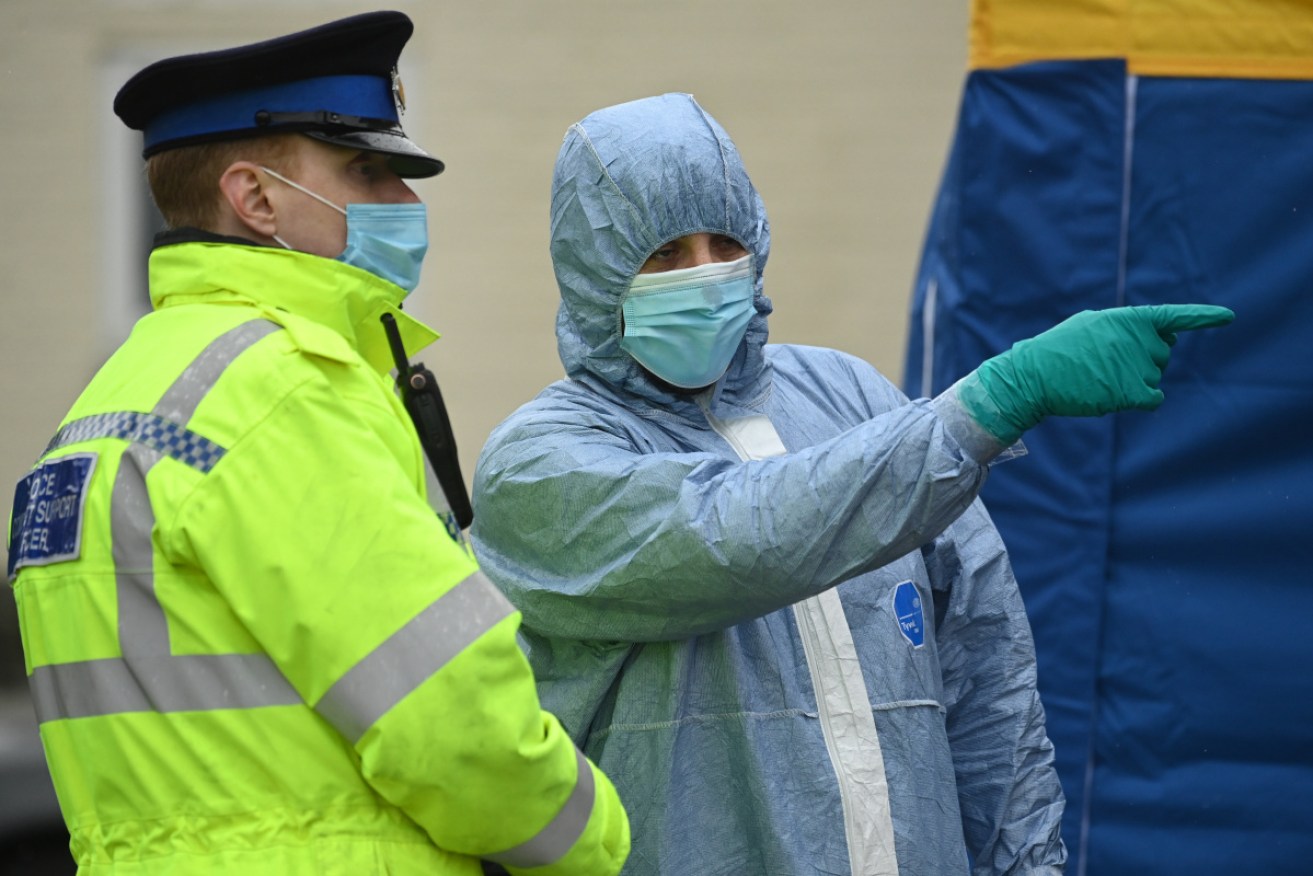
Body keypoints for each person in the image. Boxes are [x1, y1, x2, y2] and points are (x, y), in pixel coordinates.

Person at [468, 92, 1233, 875]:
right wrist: (993, 401)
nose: (704, 275)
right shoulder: (540, 463)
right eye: (663, 256)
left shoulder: (849, 396)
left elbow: (985, 668)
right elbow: (735, 535)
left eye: (723, 242)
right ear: (595, 276)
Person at [4, 12, 629, 876]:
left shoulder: (105, 407)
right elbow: (455, 727)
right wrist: (597, 839)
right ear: (254, 198)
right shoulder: (282, 387)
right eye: (367, 171)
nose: (407, 205)